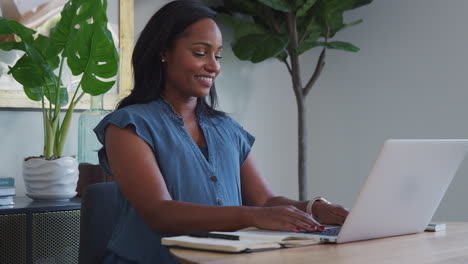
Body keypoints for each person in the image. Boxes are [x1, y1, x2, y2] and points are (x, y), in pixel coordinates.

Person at [94, 1, 349, 263]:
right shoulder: (128, 126)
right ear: (164, 52)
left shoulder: (227, 128)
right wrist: (251, 216)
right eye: (200, 53)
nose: (214, 66)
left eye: (217, 55)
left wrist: (313, 209)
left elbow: (264, 200)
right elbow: (160, 213)